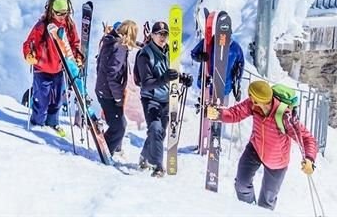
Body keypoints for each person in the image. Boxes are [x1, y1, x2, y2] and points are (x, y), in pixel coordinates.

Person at [207, 80, 318, 210]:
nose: (249, 99)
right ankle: (250, 210)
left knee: (267, 202)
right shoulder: (253, 105)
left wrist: (309, 159)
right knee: (242, 185)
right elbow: (236, 113)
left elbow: (305, 137)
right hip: (255, 149)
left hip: (277, 161)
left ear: (258, 100)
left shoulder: (283, 116)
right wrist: (218, 114)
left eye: (251, 97)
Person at [134, 20, 192, 177]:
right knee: (155, 129)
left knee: (159, 134)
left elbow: (170, 73)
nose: (162, 37)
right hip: (150, 99)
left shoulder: (169, 52)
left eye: (165, 34)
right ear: (152, 35)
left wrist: (182, 78)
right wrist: (164, 79)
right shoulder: (145, 54)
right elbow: (146, 84)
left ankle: (144, 157)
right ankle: (158, 166)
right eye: (159, 34)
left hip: (167, 100)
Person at [22, 0, 83, 136]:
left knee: (57, 99)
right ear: (51, 11)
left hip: (59, 68)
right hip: (42, 68)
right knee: (42, 98)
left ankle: (52, 123)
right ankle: (37, 123)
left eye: (65, 13)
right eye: (59, 14)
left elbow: (75, 43)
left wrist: (77, 57)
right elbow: (28, 43)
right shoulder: (42, 26)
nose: (62, 17)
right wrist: (29, 55)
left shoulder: (69, 25)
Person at [95, 20, 138, 159]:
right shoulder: (119, 47)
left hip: (103, 89)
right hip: (109, 93)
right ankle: (105, 153)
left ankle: (106, 150)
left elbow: (100, 65)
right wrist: (118, 96)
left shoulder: (109, 42)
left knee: (118, 124)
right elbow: (112, 74)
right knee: (119, 127)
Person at [191, 36, 245, 102]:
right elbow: (193, 54)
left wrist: (237, 86)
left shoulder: (235, 48)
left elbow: (240, 67)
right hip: (206, 86)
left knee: (221, 112)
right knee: (206, 111)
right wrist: (200, 57)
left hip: (224, 89)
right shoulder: (207, 42)